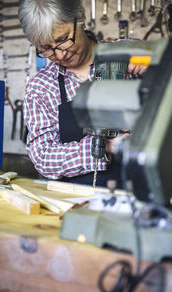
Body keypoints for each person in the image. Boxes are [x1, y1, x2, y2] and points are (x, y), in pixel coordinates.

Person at [18, 0, 146, 188]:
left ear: (81, 19)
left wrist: (156, 66)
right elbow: (43, 157)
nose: (60, 55)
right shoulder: (41, 87)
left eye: (63, 40)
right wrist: (103, 148)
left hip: (142, 190)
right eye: (46, 48)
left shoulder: (129, 52)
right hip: (78, 198)